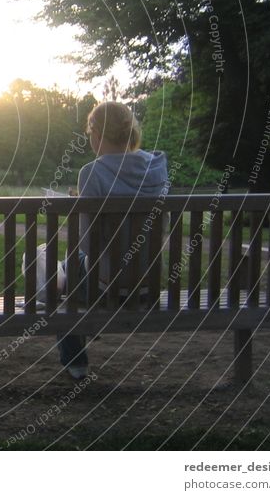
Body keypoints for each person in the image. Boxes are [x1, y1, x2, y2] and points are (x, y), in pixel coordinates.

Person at [56, 101, 168, 379]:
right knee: (70, 270)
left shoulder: (92, 172)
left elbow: (86, 245)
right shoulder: (157, 167)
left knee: (59, 274)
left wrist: (80, 206)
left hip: (106, 289)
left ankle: (77, 363)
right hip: (147, 286)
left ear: (95, 133)